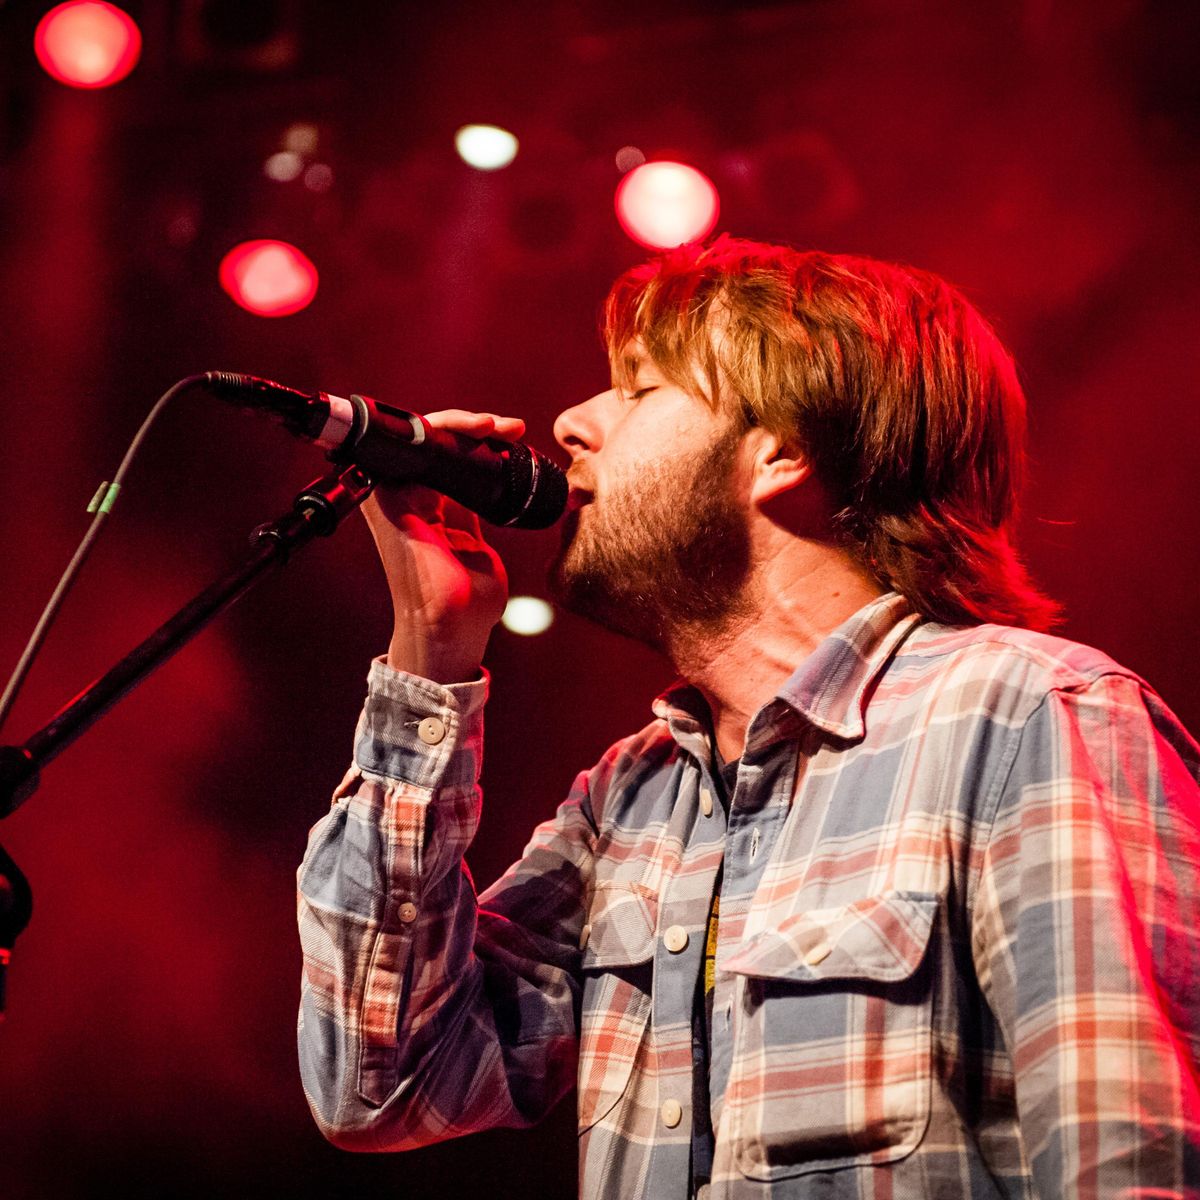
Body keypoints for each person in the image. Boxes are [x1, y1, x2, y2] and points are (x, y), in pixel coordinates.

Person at [296, 237, 1200, 1199]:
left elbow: (1132, 1162)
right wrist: (430, 651)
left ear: (782, 451)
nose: (569, 423)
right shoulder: (629, 795)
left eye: (639, 390)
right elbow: (382, 1087)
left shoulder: (1028, 720)